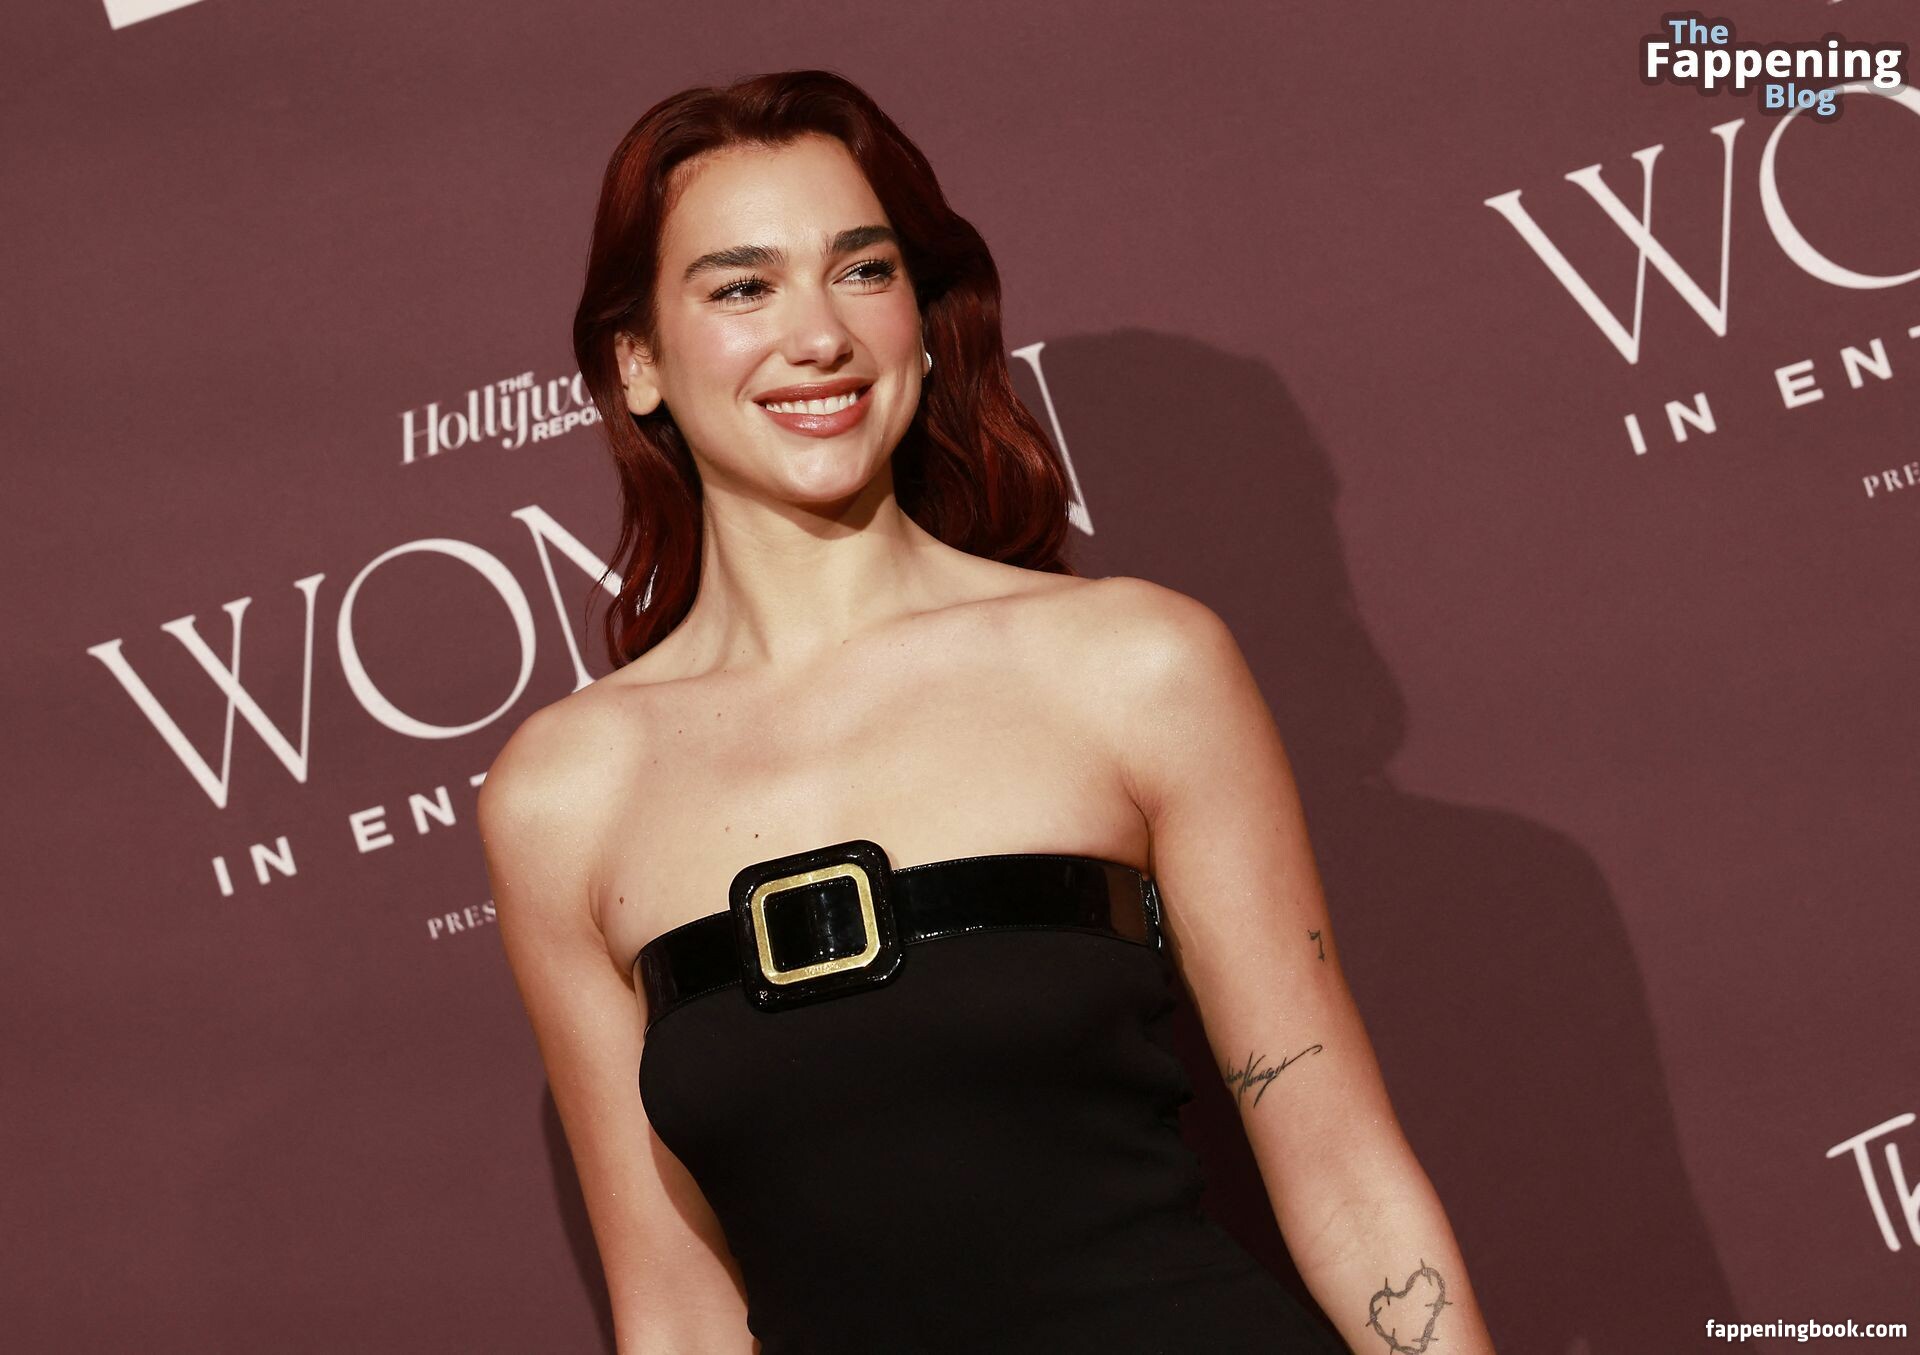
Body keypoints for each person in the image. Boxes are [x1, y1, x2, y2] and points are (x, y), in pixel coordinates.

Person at [477, 68, 1497, 1355]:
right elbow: (675, 1310)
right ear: (636, 361)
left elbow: (1345, 1173)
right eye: (742, 288)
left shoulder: (1132, 665)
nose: (820, 336)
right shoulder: (566, 794)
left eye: (863, 270)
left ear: (921, 314)